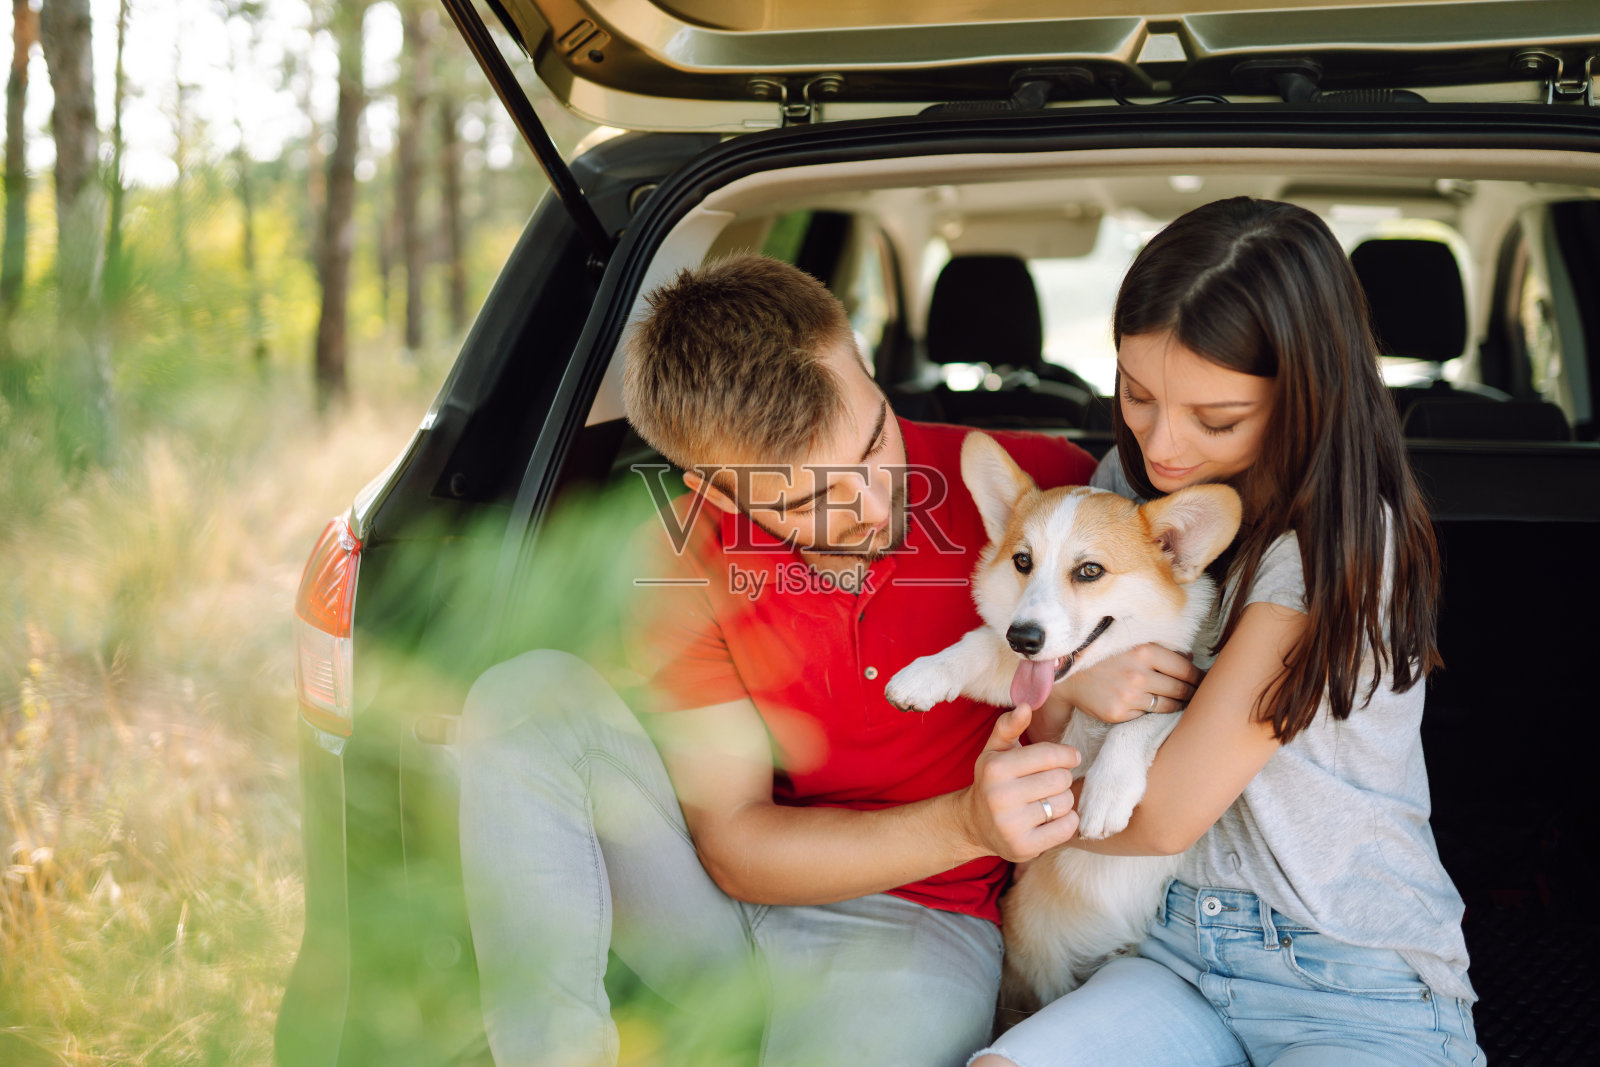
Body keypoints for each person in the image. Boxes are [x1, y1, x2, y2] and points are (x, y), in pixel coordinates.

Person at [456, 253, 1203, 1067]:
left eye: (875, 441)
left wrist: (1082, 668)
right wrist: (966, 822)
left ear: (867, 365)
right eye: (810, 498)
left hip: (922, 929)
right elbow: (736, 843)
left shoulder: (1043, 501)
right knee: (521, 694)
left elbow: (1164, 605)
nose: (876, 503)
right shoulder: (681, 558)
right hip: (720, 909)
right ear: (713, 487)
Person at [970, 197, 1484, 1067]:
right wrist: (1074, 686)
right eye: (1138, 394)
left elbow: (1165, 813)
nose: (1163, 445)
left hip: (1348, 979)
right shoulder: (1119, 493)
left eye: (1216, 420)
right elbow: (1051, 722)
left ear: (1303, 396)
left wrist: (988, 818)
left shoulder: (1339, 547)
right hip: (1167, 953)